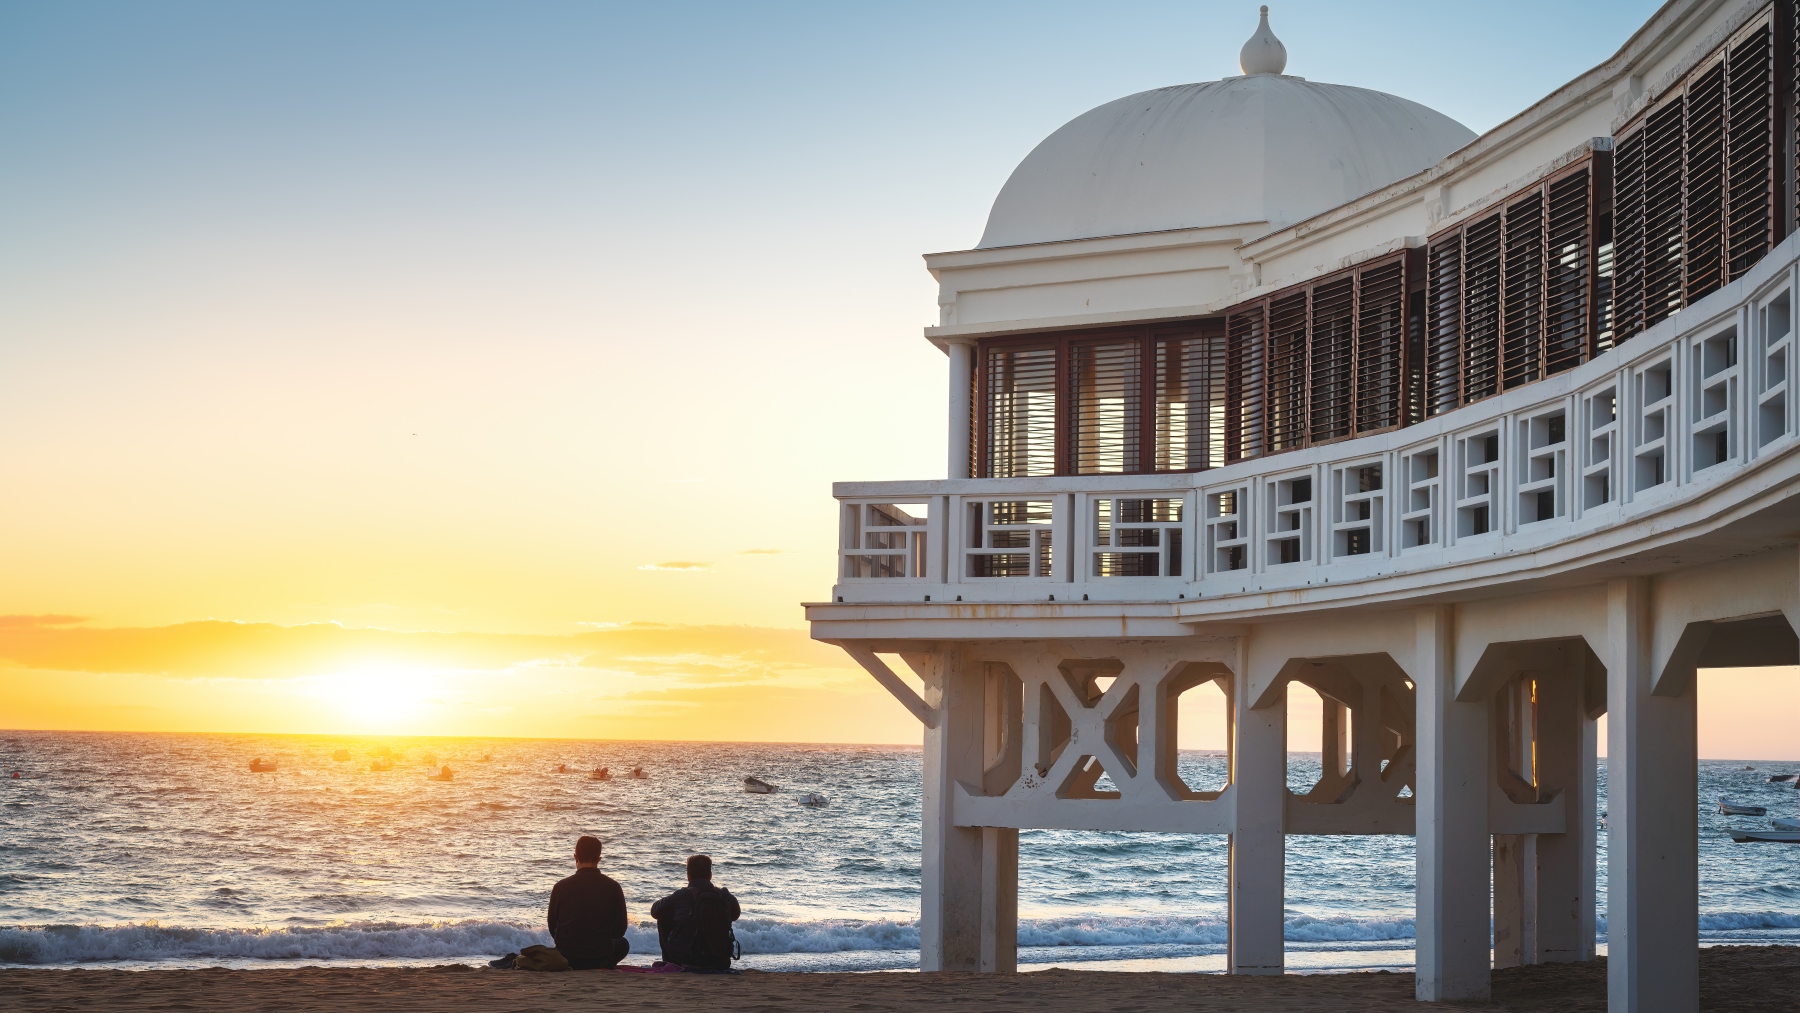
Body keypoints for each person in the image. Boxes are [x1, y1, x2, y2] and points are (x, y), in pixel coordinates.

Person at [546, 835, 630, 969]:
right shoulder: (613, 886)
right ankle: (603, 964)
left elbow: (553, 927)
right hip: (599, 957)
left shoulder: (560, 886)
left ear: (575, 857)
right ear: (599, 859)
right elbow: (620, 930)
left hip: (567, 957)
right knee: (623, 944)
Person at [650, 854, 740, 970]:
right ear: (710, 875)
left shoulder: (683, 895)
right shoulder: (723, 895)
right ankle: (717, 955)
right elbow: (735, 915)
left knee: (663, 917)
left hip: (690, 960)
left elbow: (654, 911)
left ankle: (670, 962)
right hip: (721, 961)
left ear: (689, 876)